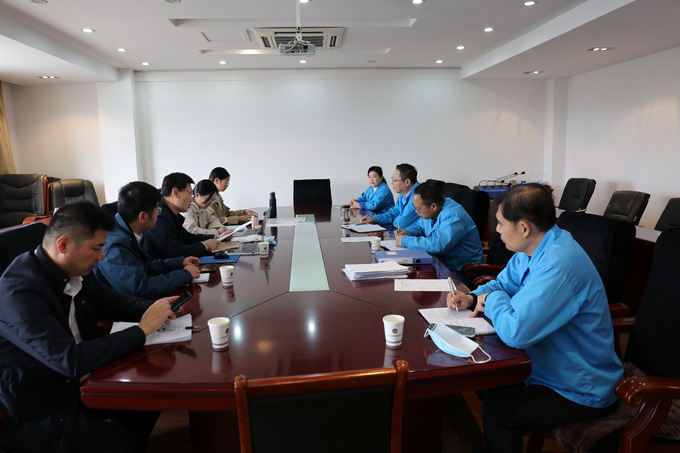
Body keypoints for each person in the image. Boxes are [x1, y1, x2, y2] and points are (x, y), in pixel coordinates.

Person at [446, 183, 622, 453]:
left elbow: (516, 332)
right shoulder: (535, 247)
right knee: (483, 381)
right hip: (545, 367)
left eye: (500, 223)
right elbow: (502, 283)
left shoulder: (558, 265)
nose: (497, 230)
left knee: (498, 409)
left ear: (524, 227)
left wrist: (492, 300)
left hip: (579, 387)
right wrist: (472, 297)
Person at [0, 201, 179, 453]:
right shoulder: (18, 291)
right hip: (39, 405)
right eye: (96, 248)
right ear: (63, 245)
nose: (102, 256)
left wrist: (156, 309)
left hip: (80, 382)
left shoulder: (75, 270)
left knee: (152, 397)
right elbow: (69, 360)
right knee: (122, 444)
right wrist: (142, 330)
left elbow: (113, 302)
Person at [95, 181, 201, 298]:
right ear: (143, 217)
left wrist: (179, 263)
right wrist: (185, 275)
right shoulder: (114, 246)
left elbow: (145, 267)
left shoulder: (131, 231)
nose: (158, 215)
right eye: (158, 210)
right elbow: (139, 288)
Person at [395, 183, 482, 279]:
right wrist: (407, 232)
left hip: (460, 273)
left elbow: (438, 245)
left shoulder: (453, 215)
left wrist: (405, 241)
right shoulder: (433, 210)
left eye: (419, 209)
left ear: (433, 206)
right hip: (439, 265)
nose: (416, 211)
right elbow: (420, 227)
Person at [146, 172, 218, 259]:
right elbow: (172, 252)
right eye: (190, 194)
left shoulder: (171, 214)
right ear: (175, 192)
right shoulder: (159, 215)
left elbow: (187, 238)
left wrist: (214, 237)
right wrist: (204, 246)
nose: (191, 199)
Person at [359, 163, 421, 229]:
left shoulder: (419, 195)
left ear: (407, 182)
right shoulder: (403, 193)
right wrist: (374, 219)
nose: (391, 183)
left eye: (394, 180)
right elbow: (393, 213)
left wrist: (395, 219)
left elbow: (401, 223)